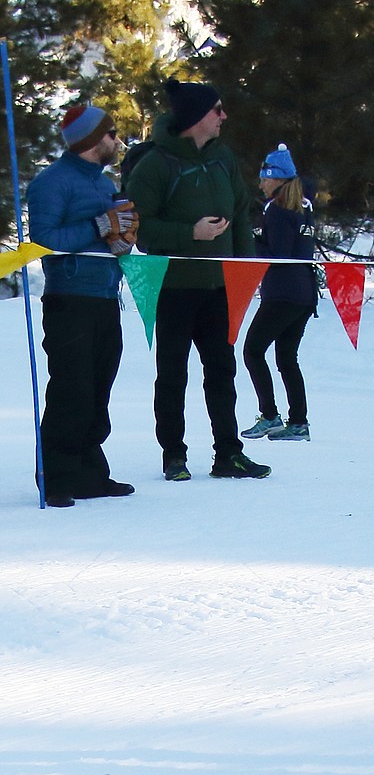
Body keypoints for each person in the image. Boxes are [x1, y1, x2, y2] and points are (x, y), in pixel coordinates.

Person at [126, 77, 270, 481]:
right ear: (194, 118)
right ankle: (173, 455)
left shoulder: (224, 160)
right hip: (172, 288)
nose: (224, 116)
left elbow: (241, 214)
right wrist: (190, 233)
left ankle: (229, 453)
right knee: (172, 374)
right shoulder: (155, 165)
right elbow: (140, 229)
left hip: (219, 288)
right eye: (216, 110)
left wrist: (245, 267)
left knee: (222, 372)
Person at [27, 104, 137, 508]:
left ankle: (90, 474)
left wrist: (122, 239)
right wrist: (99, 226)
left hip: (106, 296)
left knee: (97, 388)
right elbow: (44, 241)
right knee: (71, 390)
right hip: (69, 298)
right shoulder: (51, 183)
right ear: (93, 140)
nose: (116, 140)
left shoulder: (104, 183)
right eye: (111, 134)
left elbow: (111, 234)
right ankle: (55, 477)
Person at [241, 144, 316, 442]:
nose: (260, 184)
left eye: (264, 178)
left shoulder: (278, 208)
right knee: (286, 357)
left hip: (283, 293)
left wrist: (252, 240)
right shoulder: (303, 206)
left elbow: (278, 254)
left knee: (253, 350)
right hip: (304, 293)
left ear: (277, 179)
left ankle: (270, 414)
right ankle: (298, 421)